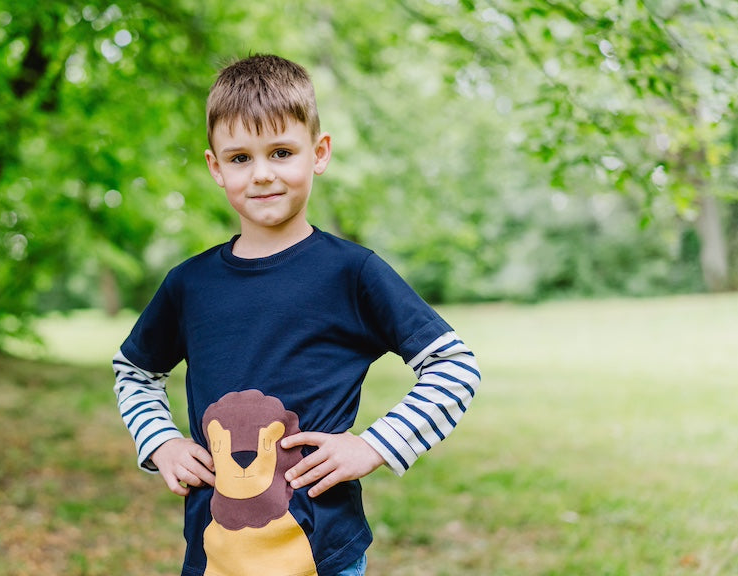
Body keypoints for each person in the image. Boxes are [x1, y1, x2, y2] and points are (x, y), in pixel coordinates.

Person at [113, 54, 480, 576]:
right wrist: (162, 441)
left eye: (281, 152)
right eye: (240, 158)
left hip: (323, 557)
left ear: (319, 152)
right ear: (216, 167)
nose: (262, 174)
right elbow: (134, 371)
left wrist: (376, 445)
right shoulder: (189, 285)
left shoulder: (352, 273)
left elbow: (455, 367)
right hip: (215, 555)